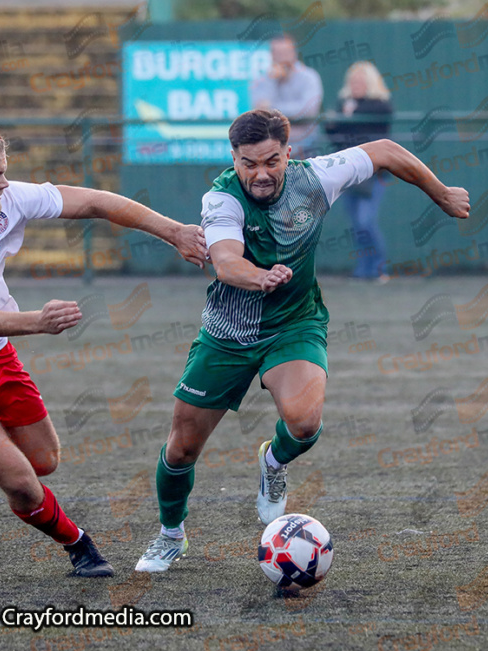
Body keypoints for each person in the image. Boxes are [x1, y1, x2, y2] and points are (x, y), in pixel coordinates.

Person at [134, 109, 469, 573]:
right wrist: (261, 276)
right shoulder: (221, 199)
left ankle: (273, 461)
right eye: (249, 163)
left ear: (289, 153)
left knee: (305, 423)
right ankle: (171, 534)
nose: (261, 173)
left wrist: (441, 193)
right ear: (234, 158)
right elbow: (226, 262)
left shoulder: (316, 178)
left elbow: (387, 152)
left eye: (272, 161)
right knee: (182, 448)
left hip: (295, 324)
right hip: (228, 335)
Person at [0, 120, 206, 577]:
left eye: (5, 173)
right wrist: (36, 322)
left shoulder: (6, 197)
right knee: (21, 481)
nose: (5, 184)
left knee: (43, 461)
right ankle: (79, 546)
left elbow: (96, 201)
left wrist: (173, 232)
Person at [327, 61, 394, 282]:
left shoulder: (380, 105)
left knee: (366, 221)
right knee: (356, 224)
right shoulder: (343, 104)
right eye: (352, 81)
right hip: (349, 172)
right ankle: (364, 270)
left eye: (360, 81)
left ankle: (379, 267)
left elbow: (370, 131)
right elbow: (334, 134)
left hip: (374, 174)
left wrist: (347, 117)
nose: (355, 85)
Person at [249, 35, 324, 159]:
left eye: (285, 52)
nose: (282, 57)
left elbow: (308, 110)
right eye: (277, 53)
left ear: (294, 53)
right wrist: (272, 81)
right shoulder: (263, 79)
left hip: (305, 145)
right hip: (271, 147)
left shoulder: (309, 77)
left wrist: (272, 109)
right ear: (271, 55)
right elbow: (260, 110)